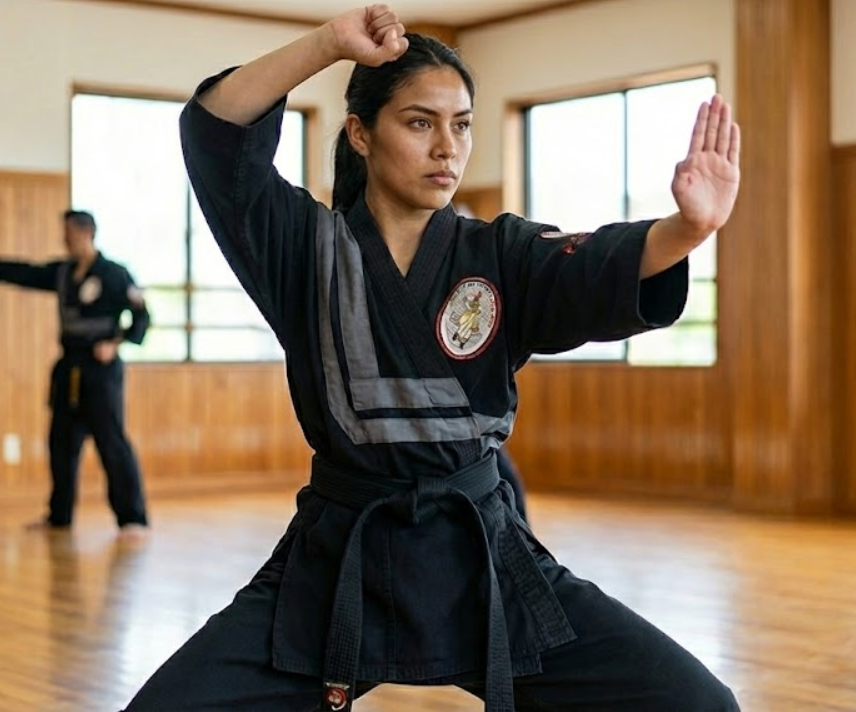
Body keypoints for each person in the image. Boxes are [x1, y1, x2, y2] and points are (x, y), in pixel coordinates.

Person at [123, 5, 741, 710]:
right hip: (339, 561)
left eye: (463, 124)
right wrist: (328, 43)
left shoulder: (499, 253)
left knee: (696, 702)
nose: (448, 146)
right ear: (360, 133)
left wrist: (686, 229)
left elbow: (592, 265)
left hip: (482, 560)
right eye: (420, 123)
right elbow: (215, 130)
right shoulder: (303, 248)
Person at [0, 210, 150, 537]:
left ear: (85, 233)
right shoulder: (64, 273)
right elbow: (27, 272)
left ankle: (132, 517)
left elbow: (142, 317)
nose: (63, 238)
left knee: (111, 442)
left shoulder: (114, 274)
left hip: (101, 372)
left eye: (67, 232)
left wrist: (116, 342)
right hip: (69, 369)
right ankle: (59, 515)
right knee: (61, 442)